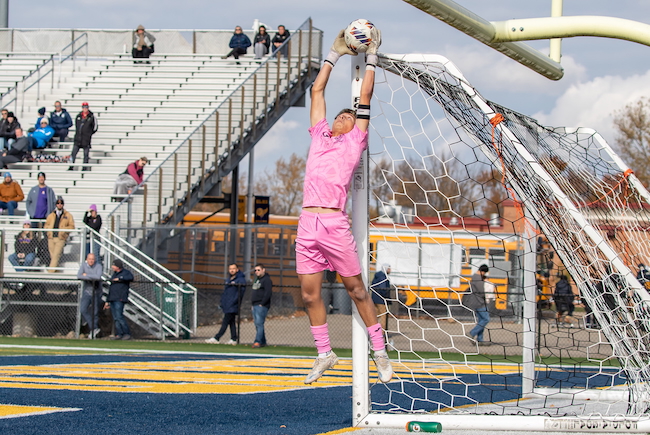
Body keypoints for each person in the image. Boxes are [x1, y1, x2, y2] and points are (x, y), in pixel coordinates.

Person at [295, 28, 392, 385]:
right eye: (340, 115)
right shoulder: (319, 136)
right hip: (307, 222)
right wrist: (333, 56)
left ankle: (379, 351)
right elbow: (316, 91)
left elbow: (365, 95)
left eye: (349, 116)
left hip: (335, 223)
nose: (343, 117)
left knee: (357, 290)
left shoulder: (355, 142)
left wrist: (371, 58)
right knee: (309, 294)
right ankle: (325, 353)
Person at [205, 263, 246, 345]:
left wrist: (235, 301)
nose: (232, 270)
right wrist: (223, 302)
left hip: (233, 304)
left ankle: (217, 337)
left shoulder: (240, 279)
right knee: (231, 322)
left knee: (225, 321)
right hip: (227, 304)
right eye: (230, 268)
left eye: (233, 268)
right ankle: (234, 338)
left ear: (237, 269)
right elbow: (226, 292)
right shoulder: (228, 279)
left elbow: (240, 292)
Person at [44, 196, 75, 273]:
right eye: (58, 203)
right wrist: (48, 231)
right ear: (56, 205)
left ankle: (50, 273)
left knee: (56, 255)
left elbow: (72, 226)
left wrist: (64, 231)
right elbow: (46, 225)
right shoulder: (51, 215)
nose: (59, 205)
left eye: (61, 203)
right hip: (51, 237)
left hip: (60, 238)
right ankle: (56, 272)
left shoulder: (68, 215)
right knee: (53, 256)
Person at [104, 258, 133, 340]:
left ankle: (127, 333)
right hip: (113, 298)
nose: (112, 267)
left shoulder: (125, 273)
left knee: (119, 316)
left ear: (118, 266)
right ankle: (119, 334)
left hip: (119, 298)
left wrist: (120, 279)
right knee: (116, 318)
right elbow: (111, 288)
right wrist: (107, 301)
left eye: (113, 265)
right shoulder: (114, 274)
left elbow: (130, 277)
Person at [463, 264, 491, 344]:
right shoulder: (478, 278)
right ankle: (472, 333)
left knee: (481, 320)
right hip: (480, 302)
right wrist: (485, 298)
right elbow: (481, 291)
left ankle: (480, 339)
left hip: (476, 302)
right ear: (482, 272)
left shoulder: (474, 277)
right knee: (486, 319)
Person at [78, 252, 103, 339]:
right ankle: (94, 327)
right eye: (89, 259)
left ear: (95, 260)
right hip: (87, 292)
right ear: (87, 259)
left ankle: (93, 331)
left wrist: (87, 275)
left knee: (95, 312)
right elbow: (79, 275)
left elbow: (98, 277)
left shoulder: (98, 266)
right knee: (83, 309)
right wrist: (91, 276)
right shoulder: (84, 266)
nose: (91, 261)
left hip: (96, 292)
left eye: (92, 259)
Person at [70, 102, 98, 171]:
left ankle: (84, 167)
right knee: (73, 153)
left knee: (86, 155)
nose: (85, 109)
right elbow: (77, 126)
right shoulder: (78, 116)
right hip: (78, 138)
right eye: (83, 107)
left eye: (86, 107)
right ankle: (71, 166)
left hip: (86, 139)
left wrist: (89, 133)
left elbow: (95, 127)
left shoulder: (91, 117)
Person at [251, 263, 272, 348]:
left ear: (263, 270)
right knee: (257, 324)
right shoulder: (256, 280)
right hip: (255, 304)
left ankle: (258, 341)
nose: (256, 272)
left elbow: (268, 293)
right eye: (255, 270)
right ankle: (263, 341)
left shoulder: (266, 280)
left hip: (261, 305)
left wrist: (262, 303)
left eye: (258, 270)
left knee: (259, 323)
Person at [371, 263, 392, 331]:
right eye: (389, 268)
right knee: (383, 316)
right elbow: (383, 288)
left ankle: (373, 329)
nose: (390, 270)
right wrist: (386, 297)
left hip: (374, 298)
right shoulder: (383, 277)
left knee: (376, 315)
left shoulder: (377, 275)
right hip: (381, 299)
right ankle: (383, 332)